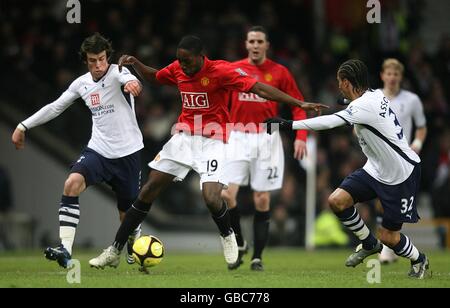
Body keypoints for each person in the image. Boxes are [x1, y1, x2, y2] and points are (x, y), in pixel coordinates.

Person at [88, 35, 327, 269]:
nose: (183, 66)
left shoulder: (221, 71)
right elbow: (155, 77)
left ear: (201, 58)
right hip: (183, 138)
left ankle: (228, 236)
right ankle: (114, 250)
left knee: (212, 198)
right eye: (180, 61)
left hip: (214, 140)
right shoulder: (179, 68)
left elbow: (260, 88)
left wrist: (298, 103)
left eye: (188, 62)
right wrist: (137, 64)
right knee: (148, 190)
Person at [265, 59, 430, 279]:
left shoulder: (362, 106)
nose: (338, 86)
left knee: (389, 238)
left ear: (346, 82)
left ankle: (419, 259)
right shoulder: (375, 94)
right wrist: (347, 101)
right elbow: (358, 109)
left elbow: (329, 122)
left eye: (339, 82)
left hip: (401, 173)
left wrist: (287, 124)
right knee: (336, 201)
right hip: (375, 169)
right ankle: (368, 243)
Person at [11, 33, 144, 268]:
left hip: (128, 154)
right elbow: (55, 107)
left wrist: (133, 84)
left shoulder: (119, 72)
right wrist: (24, 125)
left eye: (102, 59)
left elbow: (130, 82)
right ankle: (65, 249)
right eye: (93, 60)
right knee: (72, 183)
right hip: (99, 151)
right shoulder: (81, 84)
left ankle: (133, 237)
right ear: (86, 60)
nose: (98, 65)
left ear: (107, 57)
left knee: (127, 215)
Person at [222, 26, 308, 271]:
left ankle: (257, 257)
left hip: (267, 136)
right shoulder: (233, 69)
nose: (256, 45)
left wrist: (301, 136)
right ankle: (239, 242)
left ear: (267, 45)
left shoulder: (280, 72)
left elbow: (298, 106)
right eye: (252, 41)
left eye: (260, 41)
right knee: (227, 194)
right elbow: (219, 97)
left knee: (262, 198)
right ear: (246, 44)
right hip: (237, 134)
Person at [377, 58, 428, 263]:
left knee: (393, 202)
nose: (392, 77)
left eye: (395, 74)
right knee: (382, 201)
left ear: (401, 77)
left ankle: (388, 248)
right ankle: (388, 245)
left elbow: (422, 126)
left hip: (402, 158)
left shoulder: (412, 100)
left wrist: (416, 144)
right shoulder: (374, 98)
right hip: (379, 156)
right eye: (388, 73)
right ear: (382, 75)